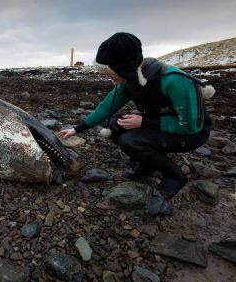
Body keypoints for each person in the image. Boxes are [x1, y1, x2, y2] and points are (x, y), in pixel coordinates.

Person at [58, 32, 214, 198]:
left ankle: (175, 176)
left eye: (110, 72)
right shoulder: (131, 80)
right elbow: (105, 109)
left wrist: (143, 122)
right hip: (161, 123)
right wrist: (76, 129)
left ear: (123, 68)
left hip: (192, 132)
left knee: (130, 141)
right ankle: (148, 164)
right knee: (113, 124)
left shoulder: (174, 81)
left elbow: (190, 125)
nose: (107, 77)